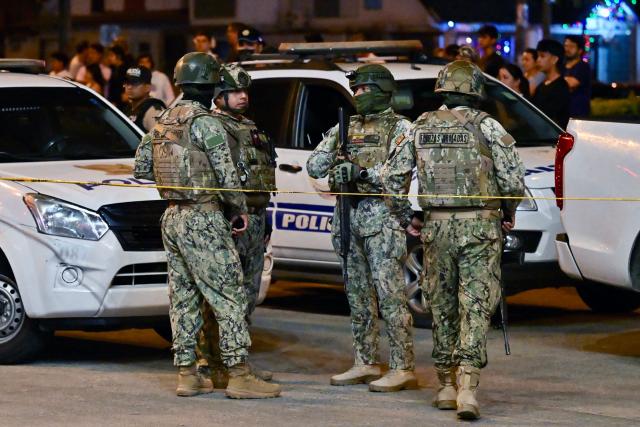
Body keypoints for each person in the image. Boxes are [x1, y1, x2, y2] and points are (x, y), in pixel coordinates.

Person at [133, 52, 281, 399]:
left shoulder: (164, 121)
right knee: (229, 295)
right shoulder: (206, 123)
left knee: (182, 297)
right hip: (203, 215)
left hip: (172, 216)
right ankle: (239, 375)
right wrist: (238, 209)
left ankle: (188, 373)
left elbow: (140, 167)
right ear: (212, 84)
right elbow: (228, 177)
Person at [383, 60, 525, 420]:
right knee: (474, 306)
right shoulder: (489, 127)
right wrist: (508, 211)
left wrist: (407, 217)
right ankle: (468, 389)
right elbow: (511, 180)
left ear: (442, 91)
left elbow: (391, 179)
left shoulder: (419, 126)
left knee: (442, 303)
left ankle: (445, 384)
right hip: (480, 227)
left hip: (436, 228)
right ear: (476, 91)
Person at [306, 64, 416, 392]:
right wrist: (337, 155)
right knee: (357, 294)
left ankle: (402, 366)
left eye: (363, 90)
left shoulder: (401, 128)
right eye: (355, 90)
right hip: (348, 218)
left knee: (390, 295)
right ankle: (365, 361)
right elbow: (314, 164)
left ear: (382, 91)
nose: (357, 96)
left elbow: (397, 174)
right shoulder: (346, 126)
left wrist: (360, 172)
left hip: (381, 220)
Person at [198, 63, 277, 388]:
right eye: (234, 91)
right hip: (232, 220)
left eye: (245, 91)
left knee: (246, 295)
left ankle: (237, 361)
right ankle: (211, 363)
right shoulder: (215, 128)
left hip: (255, 218)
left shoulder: (248, 127)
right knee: (222, 296)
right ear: (219, 95)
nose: (242, 97)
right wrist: (231, 212)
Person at [532, 39, 570, 129]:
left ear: (554, 59)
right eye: (538, 56)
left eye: (542, 56)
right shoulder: (542, 85)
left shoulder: (561, 87)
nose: (538, 60)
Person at [123, 66, 166, 132]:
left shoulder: (154, 112)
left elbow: (162, 140)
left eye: (135, 83)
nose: (129, 87)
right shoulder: (129, 108)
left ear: (148, 87)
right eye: (127, 82)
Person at [564, 35, 591, 117]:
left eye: (571, 46)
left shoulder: (583, 66)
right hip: (562, 113)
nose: (567, 49)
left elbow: (572, 84)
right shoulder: (561, 66)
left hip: (578, 115)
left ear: (580, 50)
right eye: (566, 46)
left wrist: (559, 81)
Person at [106, 45, 128, 110]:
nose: (109, 58)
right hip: (113, 103)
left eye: (111, 55)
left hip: (122, 105)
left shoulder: (125, 69)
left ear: (119, 56)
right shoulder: (112, 68)